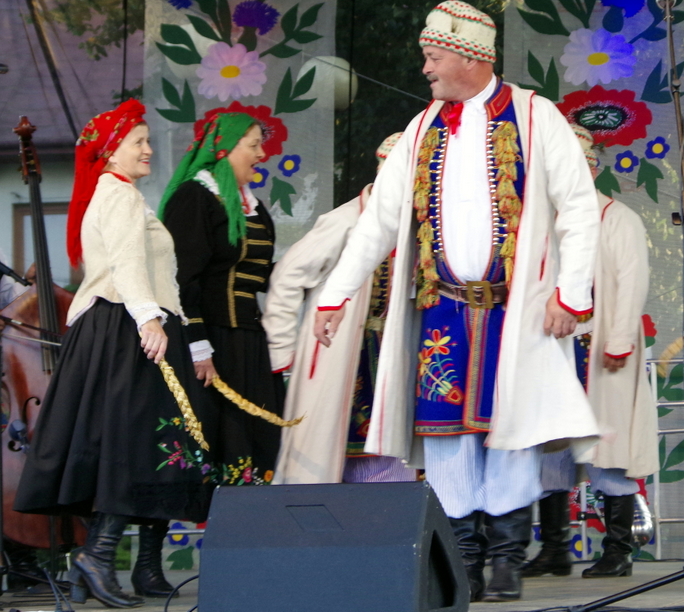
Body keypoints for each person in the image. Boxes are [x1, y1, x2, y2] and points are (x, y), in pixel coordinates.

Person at [312, 0, 601, 602]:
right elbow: (379, 221)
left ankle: (506, 559)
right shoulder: (421, 128)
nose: (425, 68)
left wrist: (571, 294)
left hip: (515, 307)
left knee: (511, 429)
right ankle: (464, 559)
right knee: (446, 437)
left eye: (434, 56)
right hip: (441, 307)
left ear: (470, 58)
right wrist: (335, 295)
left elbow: (578, 206)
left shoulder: (536, 115)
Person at [14, 100, 213, 608]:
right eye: (138, 142)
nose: (148, 149)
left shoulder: (122, 194)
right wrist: (149, 318)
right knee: (139, 443)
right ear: (110, 151)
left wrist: (173, 324)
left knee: (156, 443)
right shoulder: (118, 195)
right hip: (127, 326)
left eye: (147, 140)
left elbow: (153, 271)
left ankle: (135, 566)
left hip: (133, 323)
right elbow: (126, 265)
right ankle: (97, 556)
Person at [523, 126, 658, 580]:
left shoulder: (618, 219)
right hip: (554, 351)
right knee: (551, 449)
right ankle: (554, 549)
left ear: (593, 169)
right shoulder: (543, 224)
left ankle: (618, 549)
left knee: (608, 448)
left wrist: (619, 339)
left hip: (600, 349)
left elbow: (631, 284)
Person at [267, 133, 416, 484]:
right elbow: (288, 276)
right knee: (325, 447)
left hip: (391, 353)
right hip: (340, 349)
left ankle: (386, 509)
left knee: (390, 441)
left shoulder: (414, 227)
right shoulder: (347, 220)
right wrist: (282, 350)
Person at [160, 112, 283, 486]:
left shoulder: (252, 205)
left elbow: (259, 274)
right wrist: (198, 345)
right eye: (253, 145)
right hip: (211, 340)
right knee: (221, 437)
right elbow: (182, 279)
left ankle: (251, 516)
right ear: (225, 149)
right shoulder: (195, 197)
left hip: (248, 338)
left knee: (259, 438)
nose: (261, 154)